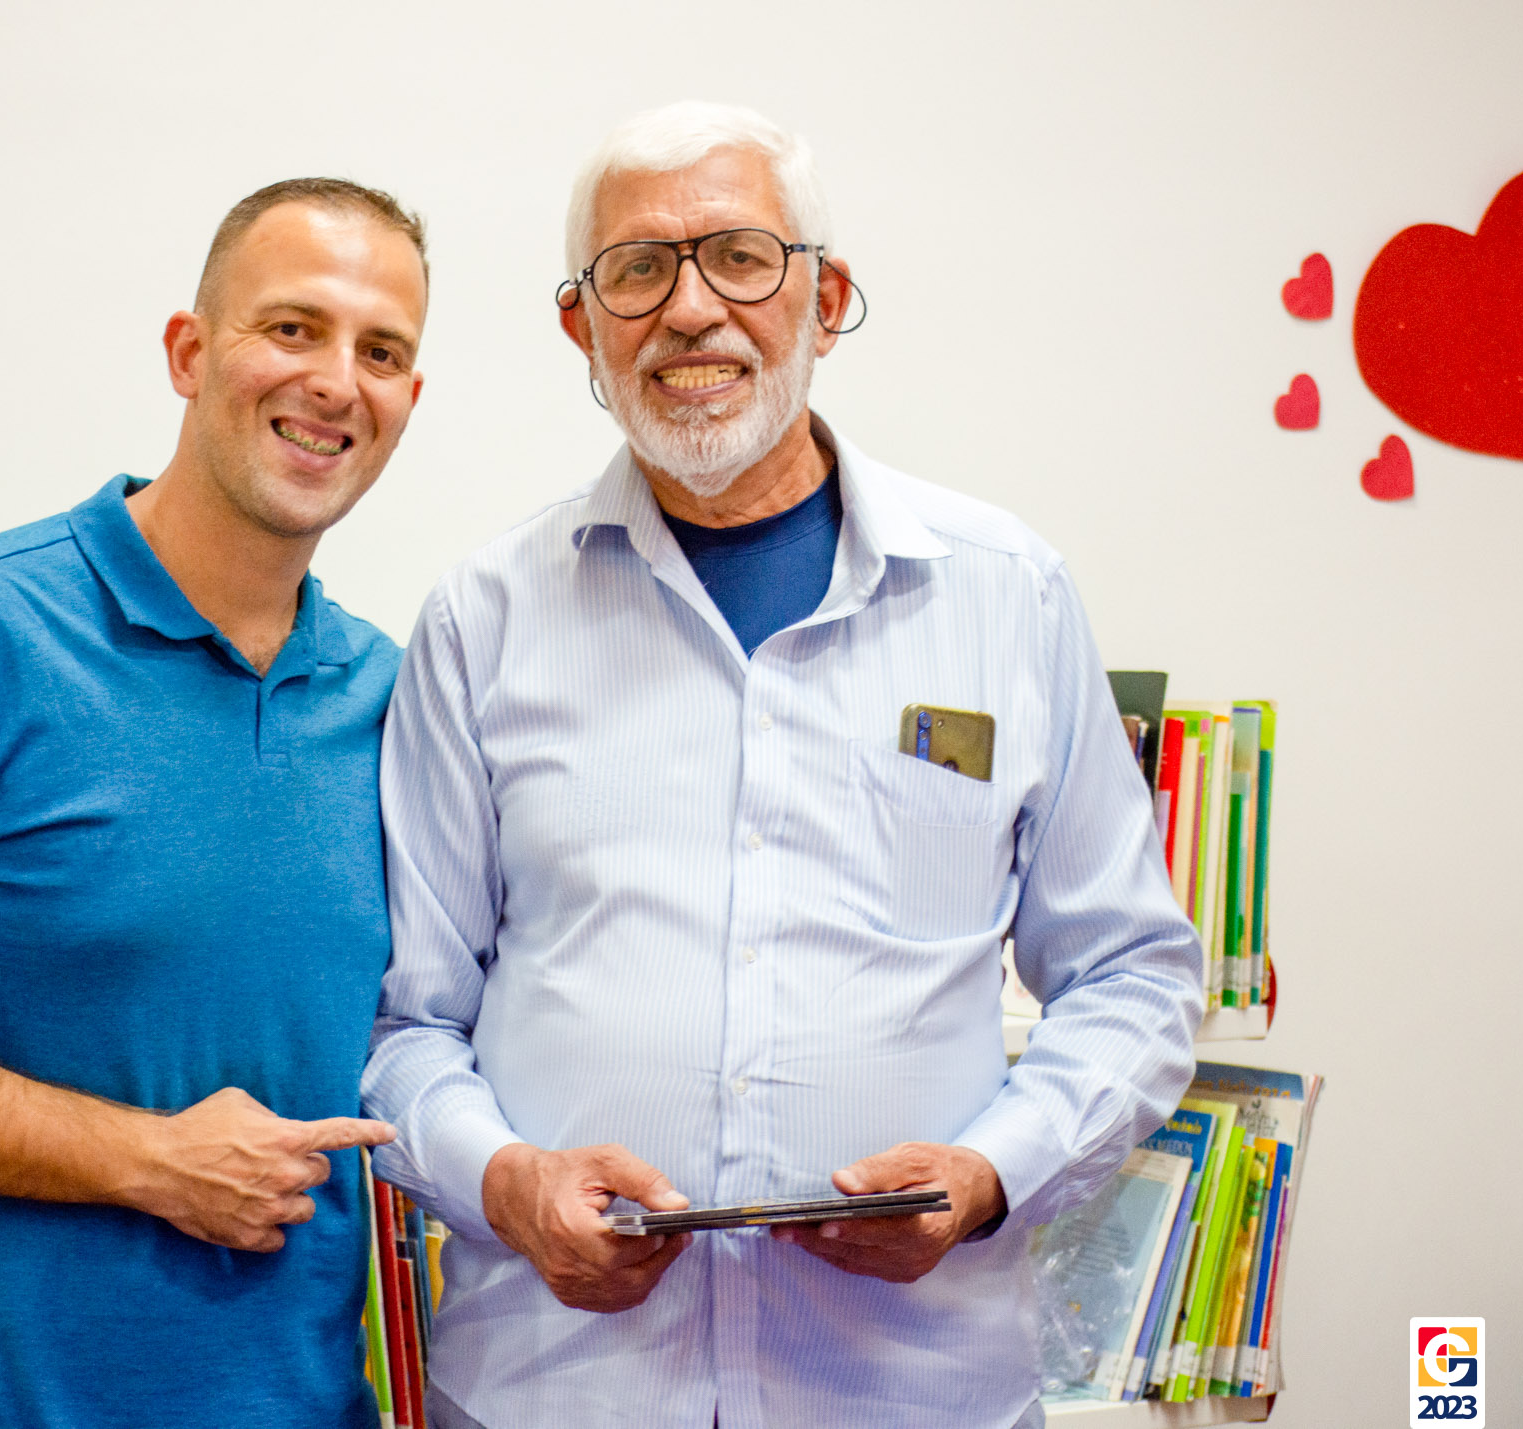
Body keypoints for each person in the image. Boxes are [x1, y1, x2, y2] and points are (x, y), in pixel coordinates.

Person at [362, 103, 1203, 1429]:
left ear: (828, 296)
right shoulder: (482, 621)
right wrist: (509, 1184)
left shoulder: (1006, 597)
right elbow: (406, 1023)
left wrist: (988, 1174)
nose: (691, 309)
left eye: (741, 258)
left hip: (909, 1394)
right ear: (581, 328)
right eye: (638, 270)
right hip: (560, 1393)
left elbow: (1132, 976)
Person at [0, 177, 428, 1428]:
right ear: (188, 352)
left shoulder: (393, 696)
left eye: (379, 352)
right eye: (291, 327)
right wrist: (149, 1160)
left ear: (407, 402)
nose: (335, 381)